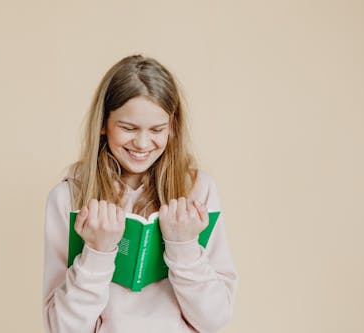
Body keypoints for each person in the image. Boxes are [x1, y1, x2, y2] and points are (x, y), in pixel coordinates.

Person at [42, 55, 238, 333]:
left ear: (172, 127)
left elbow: (215, 319)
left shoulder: (198, 190)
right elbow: (62, 328)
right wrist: (97, 253)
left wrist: (184, 248)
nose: (143, 143)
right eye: (128, 128)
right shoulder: (68, 198)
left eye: (157, 129)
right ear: (103, 124)